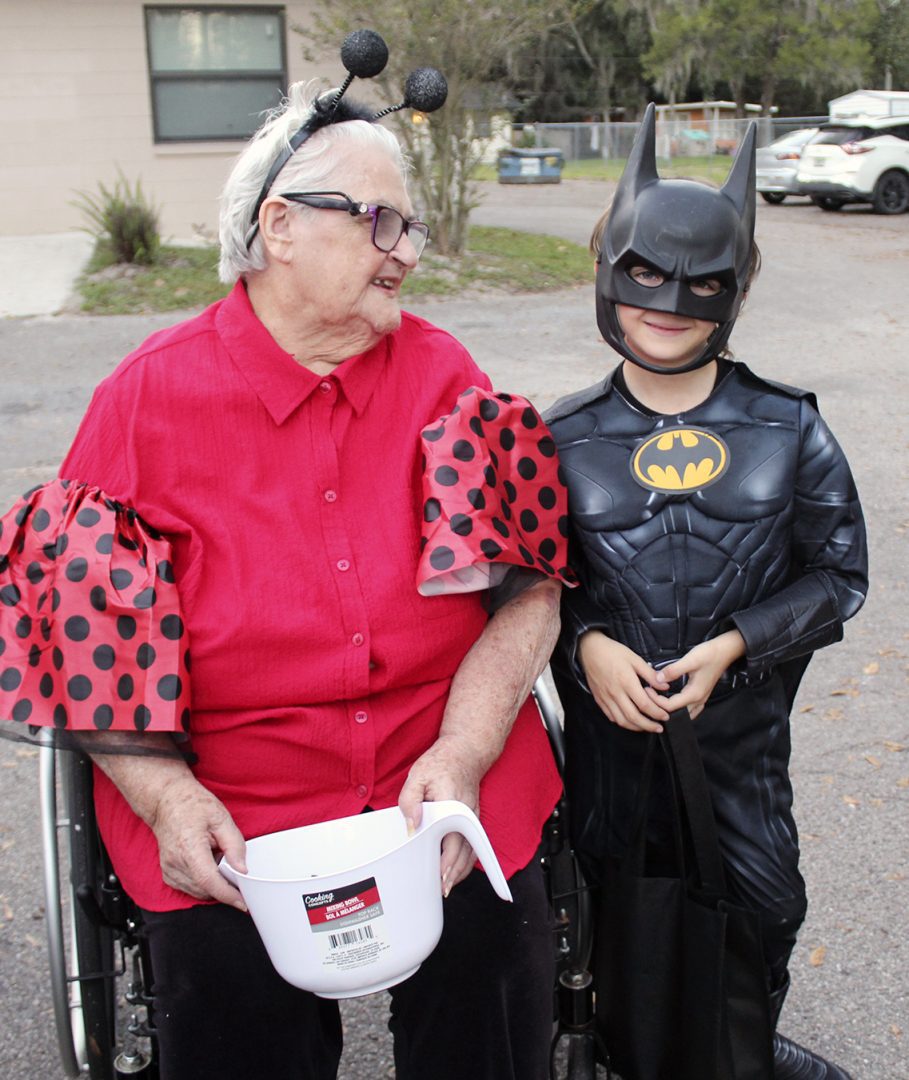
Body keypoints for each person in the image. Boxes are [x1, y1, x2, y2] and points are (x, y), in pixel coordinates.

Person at [0, 58, 567, 1079]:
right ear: (281, 227)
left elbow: (527, 593)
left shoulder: (443, 377)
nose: (406, 253)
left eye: (411, 228)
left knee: (492, 982)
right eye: (380, 223)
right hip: (237, 807)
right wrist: (166, 800)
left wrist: (467, 751)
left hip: (436, 775)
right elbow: (81, 651)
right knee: (230, 1013)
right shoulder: (148, 403)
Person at [546, 104, 868, 1080]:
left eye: (703, 283)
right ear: (606, 265)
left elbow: (838, 575)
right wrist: (586, 644)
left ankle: (741, 1051)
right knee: (611, 929)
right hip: (611, 761)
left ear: (738, 288)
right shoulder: (559, 438)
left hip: (739, 755)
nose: (671, 302)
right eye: (645, 273)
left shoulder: (788, 426)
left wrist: (736, 644)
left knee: (762, 914)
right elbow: (527, 588)